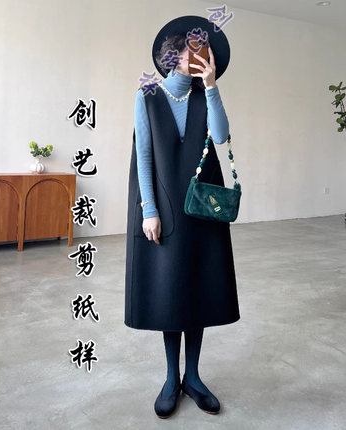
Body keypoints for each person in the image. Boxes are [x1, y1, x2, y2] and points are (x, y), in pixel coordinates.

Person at [125, 15, 240, 418]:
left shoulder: (204, 95)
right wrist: (149, 210)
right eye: (195, 48)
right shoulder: (147, 95)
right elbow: (143, 156)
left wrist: (212, 87)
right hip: (166, 211)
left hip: (202, 210)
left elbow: (221, 136)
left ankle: (193, 376)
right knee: (169, 292)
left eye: (206, 51)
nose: (202, 56)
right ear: (174, 54)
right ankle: (171, 377)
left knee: (199, 290)